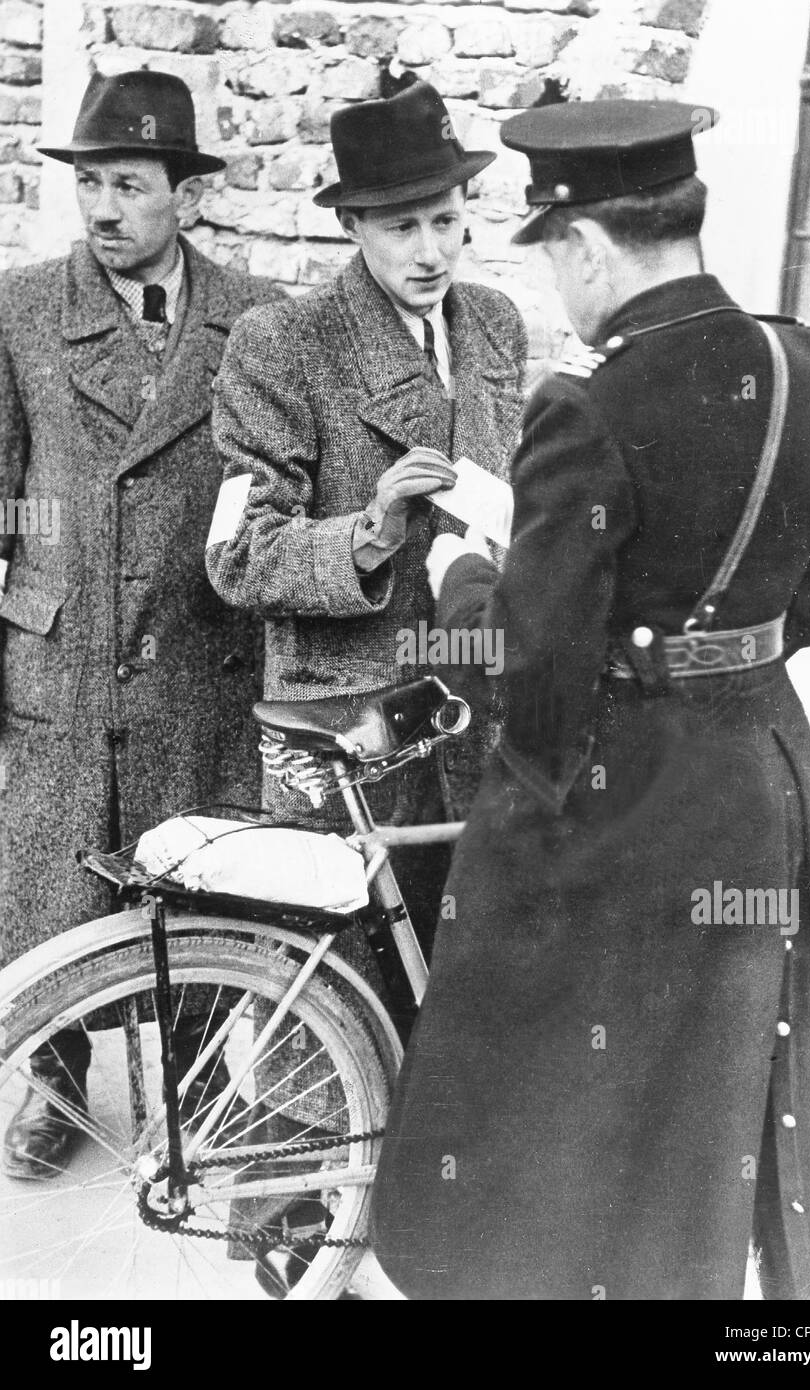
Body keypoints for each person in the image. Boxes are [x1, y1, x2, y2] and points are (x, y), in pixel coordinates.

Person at [370, 99, 810, 1300]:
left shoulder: (584, 405)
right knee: (702, 1116)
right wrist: (716, 653)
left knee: (555, 1130)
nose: (555, 288)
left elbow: (532, 679)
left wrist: (462, 575)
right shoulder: (803, 363)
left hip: (612, 811)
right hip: (758, 783)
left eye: (551, 256)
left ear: (589, 244)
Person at [0, 70, 282, 1180]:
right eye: (89, 185)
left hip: (199, 660)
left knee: (196, 889)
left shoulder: (256, 319)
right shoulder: (20, 310)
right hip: (62, 659)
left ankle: (199, 1099)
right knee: (60, 885)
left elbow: (276, 485)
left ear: (187, 198)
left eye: (128, 184)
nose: (105, 209)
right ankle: (54, 1082)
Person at [206, 77, 527, 983]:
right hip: (352, 725)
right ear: (351, 226)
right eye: (400, 227)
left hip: (475, 708)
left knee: (465, 985)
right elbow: (237, 554)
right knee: (341, 991)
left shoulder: (494, 326)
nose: (431, 252)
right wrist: (372, 531)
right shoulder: (284, 343)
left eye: (447, 221)